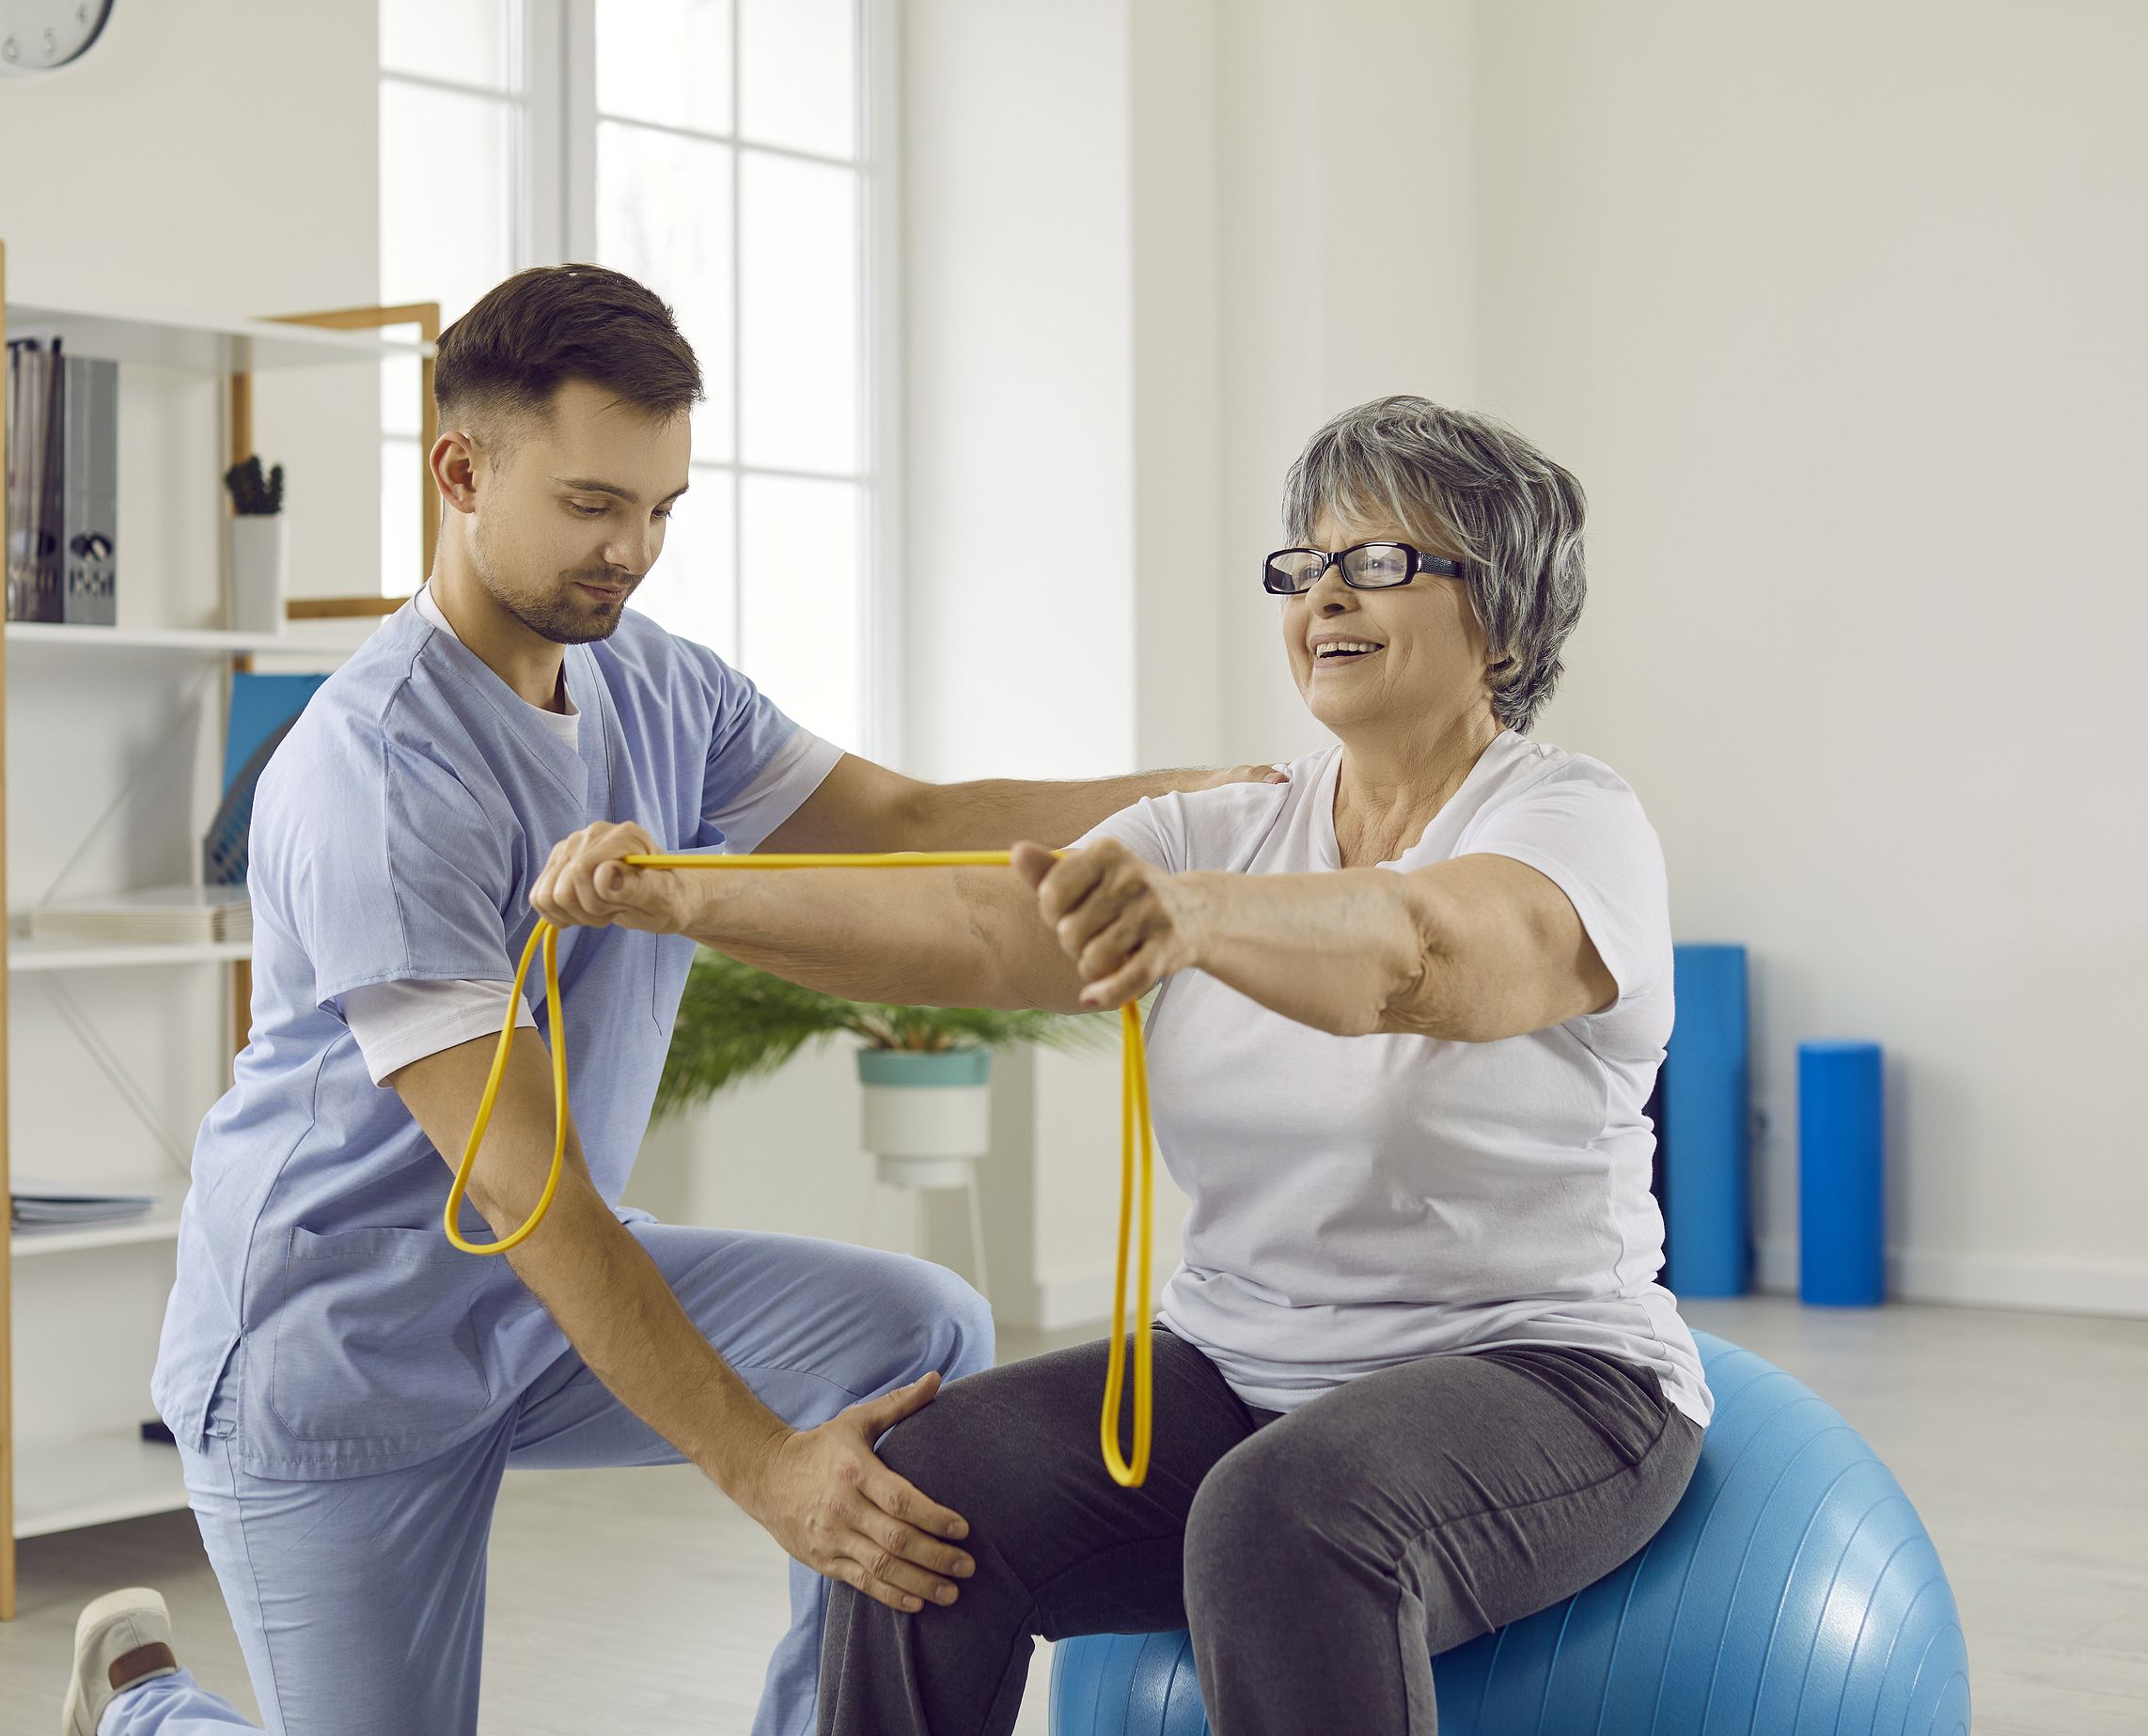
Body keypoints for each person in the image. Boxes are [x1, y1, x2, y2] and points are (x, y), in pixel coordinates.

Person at [62, 264, 1278, 1736]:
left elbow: (908, 823)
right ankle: (141, 1709)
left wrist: (1197, 805)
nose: (631, 550)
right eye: (592, 505)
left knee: (918, 1333)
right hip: (337, 1352)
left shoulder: (655, 684)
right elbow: (526, 1189)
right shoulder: (379, 774)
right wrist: (769, 1473)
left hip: (531, 1306)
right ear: (462, 470)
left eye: (660, 510)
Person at [527, 395, 1714, 1736]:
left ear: (1499, 613)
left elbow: (1426, 953)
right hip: (1240, 1365)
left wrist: (1197, 917)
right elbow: (976, 929)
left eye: (1379, 561)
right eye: (1305, 565)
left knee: (1288, 1515)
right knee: (922, 1491)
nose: (1326, 593)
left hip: (1543, 1375)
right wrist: (691, 899)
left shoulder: (1571, 820)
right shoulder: (1227, 826)